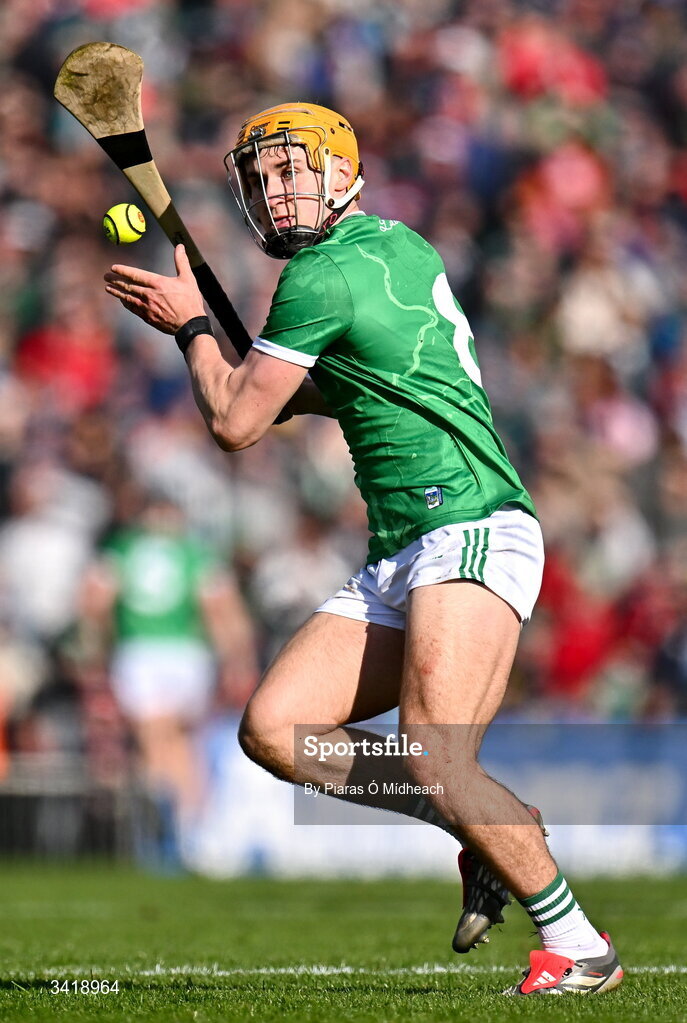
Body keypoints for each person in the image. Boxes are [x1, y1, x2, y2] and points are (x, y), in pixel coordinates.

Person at [103, 101, 623, 995]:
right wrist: (245, 358)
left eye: (291, 169)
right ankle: (488, 824)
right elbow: (320, 392)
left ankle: (580, 946)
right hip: (405, 545)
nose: (274, 191)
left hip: (467, 524)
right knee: (275, 728)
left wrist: (192, 331)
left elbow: (236, 422)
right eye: (260, 178)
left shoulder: (321, 276)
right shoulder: (394, 247)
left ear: (344, 174)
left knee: (434, 751)